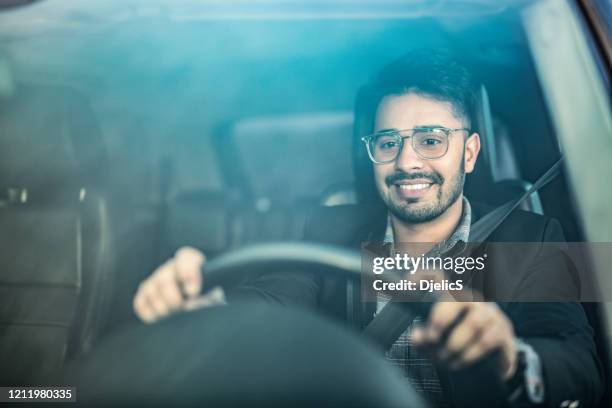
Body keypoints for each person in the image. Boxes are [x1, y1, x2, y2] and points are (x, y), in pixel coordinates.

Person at [132, 50, 602, 407]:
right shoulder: (329, 227)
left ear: (471, 152)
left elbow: (578, 363)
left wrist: (508, 356)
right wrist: (208, 306)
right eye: (388, 142)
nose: (407, 162)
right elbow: (274, 301)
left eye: (431, 140)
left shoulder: (535, 237)